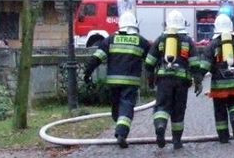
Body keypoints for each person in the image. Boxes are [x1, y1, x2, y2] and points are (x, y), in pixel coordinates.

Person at [82, 10, 150, 149]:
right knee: (126, 107)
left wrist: (87, 74)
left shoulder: (110, 40)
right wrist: (153, 78)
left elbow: (96, 58)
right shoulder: (141, 41)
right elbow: (150, 62)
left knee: (116, 108)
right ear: (134, 25)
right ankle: (121, 133)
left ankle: (119, 127)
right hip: (131, 82)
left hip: (113, 82)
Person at [191, 13, 234, 143]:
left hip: (219, 87)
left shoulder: (212, 45)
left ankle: (223, 137)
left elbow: (204, 66)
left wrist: (198, 80)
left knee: (220, 112)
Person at [144, 9, 195, 150]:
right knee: (179, 110)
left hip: (164, 80)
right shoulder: (187, 41)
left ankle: (160, 126)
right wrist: (198, 80)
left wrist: (150, 77)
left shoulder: (161, 40)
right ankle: (177, 141)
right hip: (182, 81)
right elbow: (195, 63)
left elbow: (149, 62)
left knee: (161, 106)